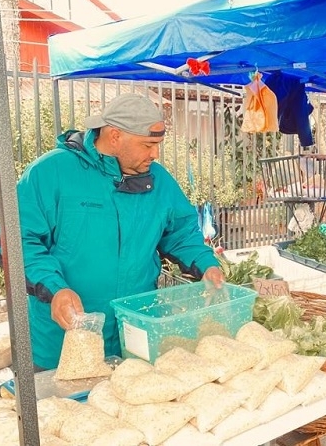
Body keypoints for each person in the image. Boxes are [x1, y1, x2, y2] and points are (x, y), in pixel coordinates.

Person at [18, 94, 225, 370]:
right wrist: (56, 290)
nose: (155, 154)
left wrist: (207, 265)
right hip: (63, 346)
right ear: (115, 136)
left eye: (157, 145)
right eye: (148, 145)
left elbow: (182, 233)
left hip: (136, 340)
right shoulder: (49, 173)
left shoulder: (158, 180)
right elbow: (21, 243)